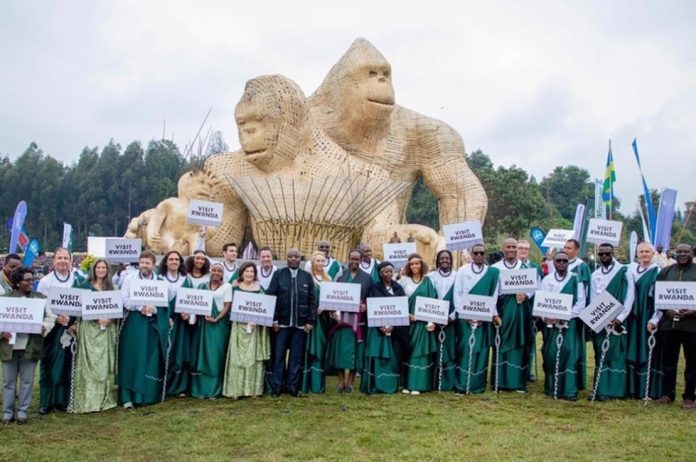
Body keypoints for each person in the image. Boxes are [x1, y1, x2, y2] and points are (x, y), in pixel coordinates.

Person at [118, 250, 171, 408]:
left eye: (147, 263)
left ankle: (146, 395)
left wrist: (153, 309)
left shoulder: (161, 282)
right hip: (134, 321)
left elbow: (164, 303)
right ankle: (127, 395)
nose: (144, 265)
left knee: (148, 358)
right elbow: (124, 299)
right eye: (142, 262)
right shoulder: (129, 279)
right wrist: (140, 307)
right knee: (131, 357)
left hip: (152, 325)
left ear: (153, 265)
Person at [1, 268, 51, 425]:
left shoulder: (39, 298)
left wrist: (44, 327)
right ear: (17, 282)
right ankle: (8, 412)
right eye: (27, 280)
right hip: (9, 347)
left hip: (30, 345)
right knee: (8, 382)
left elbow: (51, 317)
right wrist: (2, 332)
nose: (31, 282)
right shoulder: (5, 299)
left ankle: (23, 411)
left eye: (32, 279)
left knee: (27, 381)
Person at [649, 243, 696, 409]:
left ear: (692, 253)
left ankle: (689, 397)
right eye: (680, 251)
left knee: (692, 362)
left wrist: (692, 312)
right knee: (668, 361)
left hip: (691, 326)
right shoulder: (666, 272)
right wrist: (665, 309)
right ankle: (668, 394)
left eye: (686, 251)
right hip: (669, 325)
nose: (682, 254)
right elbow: (656, 295)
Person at [36, 247, 82, 415]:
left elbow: (83, 303)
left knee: (68, 364)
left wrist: (74, 323)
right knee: (48, 363)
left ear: (71, 261)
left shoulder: (77, 279)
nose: (63, 261)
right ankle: (46, 401)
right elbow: (40, 306)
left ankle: (63, 400)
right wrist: (55, 319)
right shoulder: (45, 282)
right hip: (52, 328)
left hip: (70, 326)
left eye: (66, 258)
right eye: (59, 258)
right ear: (54, 261)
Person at [266, 249, 317, 397]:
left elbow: (313, 301)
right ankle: (277, 387)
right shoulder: (278, 275)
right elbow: (271, 296)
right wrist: (274, 319)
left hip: (300, 325)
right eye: (290, 257)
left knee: (296, 357)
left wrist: (310, 321)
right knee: (279, 356)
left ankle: (293, 387)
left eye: (296, 257)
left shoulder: (307, 277)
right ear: (286, 258)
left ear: (300, 259)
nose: (293, 259)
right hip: (281, 324)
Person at [71, 259, 118, 413]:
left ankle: (103, 398)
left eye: (104, 267)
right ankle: (88, 399)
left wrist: (110, 319)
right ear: (93, 269)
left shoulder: (113, 288)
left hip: (106, 330)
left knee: (103, 365)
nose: (101, 270)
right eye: (98, 267)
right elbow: (77, 308)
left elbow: (117, 310)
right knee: (89, 365)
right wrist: (95, 318)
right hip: (89, 330)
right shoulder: (84, 286)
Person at [453, 244, 501, 394]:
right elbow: (457, 294)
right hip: (465, 319)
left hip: (483, 319)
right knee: (466, 349)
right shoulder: (462, 271)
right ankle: (461, 384)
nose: (479, 255)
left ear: (485, 255)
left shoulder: (493, 273)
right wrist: (465, 315)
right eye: (476, 253)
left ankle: (477, 384)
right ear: (472, 255)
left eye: (482, 253)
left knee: (480, 350)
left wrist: (492, 314)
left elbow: (494, 296)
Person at [590, 243, 635, 400]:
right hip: (601, 320)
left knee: (615, 355)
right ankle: (600, 390)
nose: (604, 257)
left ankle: (615, 391)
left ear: (612, 253)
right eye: (601, 254)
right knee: (601, 352)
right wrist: (596, 319)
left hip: (618, 320)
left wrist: (620, 318)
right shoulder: (595, 274)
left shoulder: (624, 271)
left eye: (607, 254)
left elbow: (629, 297)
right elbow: (593, 299)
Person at [539, 251, 586, 400]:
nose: (561, 263)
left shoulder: (575, 279)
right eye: (558, 260)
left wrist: (567, 315)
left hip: (569, 323)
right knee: (551, 353)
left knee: (569, 353)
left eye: (564, 261)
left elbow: (581, 302)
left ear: (568, 263)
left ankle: (569, 390)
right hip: (551, 324)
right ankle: (552, 388)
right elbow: (542, 301)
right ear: (553, 262)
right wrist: (545, 316)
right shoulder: (547, 280)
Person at [223, 262, 271, 399]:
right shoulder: (235, 289)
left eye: (252, 271)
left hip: (255, 327)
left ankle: (252, 390)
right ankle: (236, 390)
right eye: (247, 271)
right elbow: (229, 307)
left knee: (253, 358)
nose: (249, 274)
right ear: (242, 273)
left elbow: (264, 307)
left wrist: (257, 320)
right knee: (238, 357)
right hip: (239, 327)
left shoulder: (260, 289)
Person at [328, 249, 373, 393]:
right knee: (341, 351)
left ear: (360, 260)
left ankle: (351, 382)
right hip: (342, 321)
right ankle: (341, 382)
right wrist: (333, 310)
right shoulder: (341, 277)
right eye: (352, 258)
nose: (354, 261)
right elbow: (333, 296)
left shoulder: (367, 278)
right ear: (348, 259)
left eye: (357, 259)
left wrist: (366, 305)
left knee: (355, 352)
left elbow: (372, 296)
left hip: (358, 321)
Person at [491, 238, 533, 392]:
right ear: (503, 248)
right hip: (503, 309)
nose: (511, 249)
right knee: (501, 344)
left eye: (513, 247)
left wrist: (526, 295)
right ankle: (500, 382)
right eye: (508, 246)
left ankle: (517, 383)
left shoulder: (525, 267)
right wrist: (494, 313)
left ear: (517, 249)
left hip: (521, 312)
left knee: (519, 344)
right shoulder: (495, 268)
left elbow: (534, 288)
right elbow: (493, 293)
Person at [362, 262, 407, 394]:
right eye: (385, 271)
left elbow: (402, 308)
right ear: (380, 273)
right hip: (377, 329)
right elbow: (371, 307)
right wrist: (380, 325)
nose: (388, 274)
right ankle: (376, 385)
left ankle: (390, 384)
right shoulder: (374, 288)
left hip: (394, 330)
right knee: (378, 357)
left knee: (393, 357)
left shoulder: (398, 288)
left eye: (390, 271)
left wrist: (393, 325)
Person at [191, 262, 231, 398]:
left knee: (215, 355)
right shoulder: (202, 286)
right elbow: (195, 303)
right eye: (214, 270)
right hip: (203, 324)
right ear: (210, 271)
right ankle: (200, 389)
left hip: (218, 325)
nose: (217, 273)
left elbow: (227, 306)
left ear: (222, 273)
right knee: (202, 354)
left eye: (219, 271)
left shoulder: (227, 287)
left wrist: (217, 318)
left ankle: (214, 389)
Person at [627, 242, 662, 399]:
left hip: (648, 315)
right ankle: (631, 388)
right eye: (641, 251)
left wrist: (655, 319)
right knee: (632, 347)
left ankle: (646, 389)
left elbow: (660, 298)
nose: (645, 254)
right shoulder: (630, 269)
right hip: (632, 315)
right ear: (637, 253)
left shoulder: (659, 271)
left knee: (647, 350)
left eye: (648, 251)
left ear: (653, 253)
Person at [399, 253, 438, 394]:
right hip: (408, 323)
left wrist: (431, 321)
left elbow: (433, 302)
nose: (415, 266)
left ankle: (419, 385)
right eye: (412, 264)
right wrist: (406, 314)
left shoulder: (429, 281)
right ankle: (407, 384)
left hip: (423, 324)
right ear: (408, 265)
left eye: (417, 263)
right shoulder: (404, 281)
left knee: (419, 353)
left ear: (422, 265)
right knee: (408, 351)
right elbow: (398, 300)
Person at [158, 251, 193, 397]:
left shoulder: (186, 280)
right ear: (166, 262)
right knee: (164, 352)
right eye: (171, 259)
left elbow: (191, 300)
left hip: (181, 323)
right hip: (163, 321)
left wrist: (188, 313)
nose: (174, 261)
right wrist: (165, 316)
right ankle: (163, 385)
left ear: (180, 262)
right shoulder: (158, 279)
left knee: (180, 353)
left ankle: (179, 387)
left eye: (177, 259)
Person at [302, 251, 332, 394]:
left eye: (322, 261)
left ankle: (318, 384)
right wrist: (314, 309)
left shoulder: (328, 279)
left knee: (320, 348)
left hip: (324, 319)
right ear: (313, 262)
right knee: (309, 348)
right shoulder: (308, 278)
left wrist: (325, 307)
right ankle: (307, 382)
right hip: (310, 318)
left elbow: (333, 299)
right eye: (318, 261)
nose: (320, 263)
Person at [427, 250, 457, 391]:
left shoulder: (458, 276)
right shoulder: (430, 277)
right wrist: (433, 317)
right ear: (438, 260)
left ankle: (447, 382)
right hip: (434, 320)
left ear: (451, 260)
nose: (445, 260)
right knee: (435, 350)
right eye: (442, 258)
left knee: (449, 350)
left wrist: (451, 317)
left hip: (451, 320)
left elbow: (461, 298)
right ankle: (434, 381)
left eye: (447, 258)